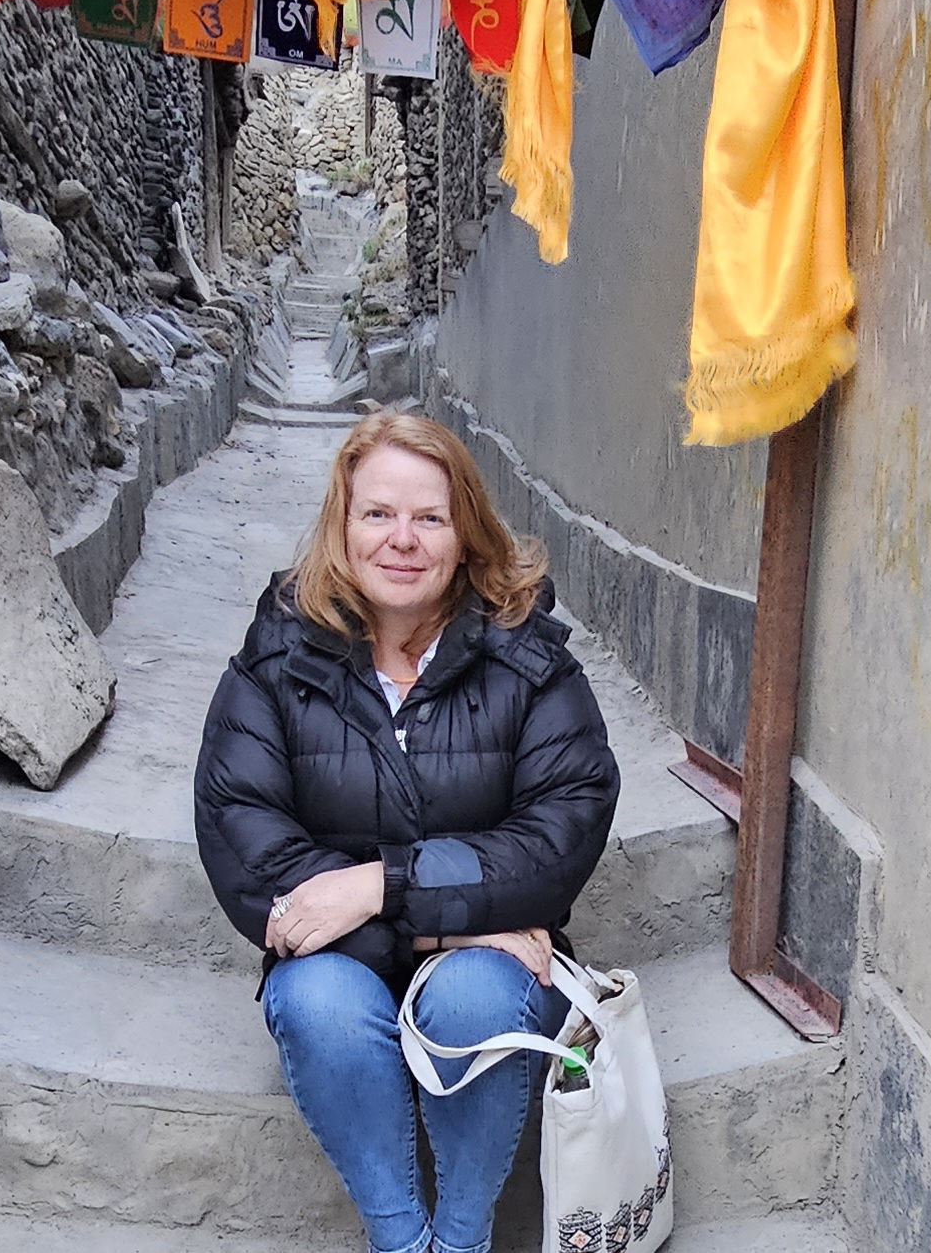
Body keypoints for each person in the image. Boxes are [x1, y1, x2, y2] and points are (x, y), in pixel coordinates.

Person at [194, 411, 620, 1253]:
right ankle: (399, 1241)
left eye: (429, 516)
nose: (402, 539)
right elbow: (247, 840)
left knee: (471, 997)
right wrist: (445, 922)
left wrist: (376, 885)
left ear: (465, 534)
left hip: (479, 969)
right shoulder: (277, 654)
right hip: (350, 960)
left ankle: (459, 1242)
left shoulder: (527, 658)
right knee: (314, 1000)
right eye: (377, 513)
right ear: (342, 525)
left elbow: (557, 836)